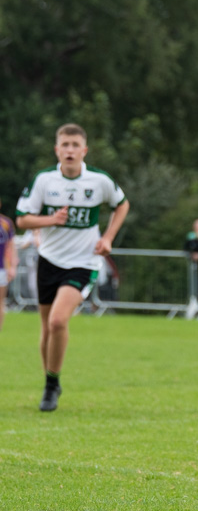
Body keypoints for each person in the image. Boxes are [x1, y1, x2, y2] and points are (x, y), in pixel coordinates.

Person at [15, 123, 130, 412]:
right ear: (57, 149)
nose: (69, 150)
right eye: (64, 145)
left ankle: (51, 385)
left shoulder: (98, 180)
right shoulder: (44, 181)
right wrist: (50, 220)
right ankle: (50, 380)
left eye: (75, 145)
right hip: (49, 260)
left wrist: (108, 238)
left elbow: (122, 204)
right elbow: (22, 220)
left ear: (84, 150)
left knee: (57, 321)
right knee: (45, 327)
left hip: (83, 262)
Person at [0, 198, 16, 333]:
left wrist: (12, 267)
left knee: (0, 303)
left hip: (1, 269)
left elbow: (10, 247)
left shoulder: (5, 223)